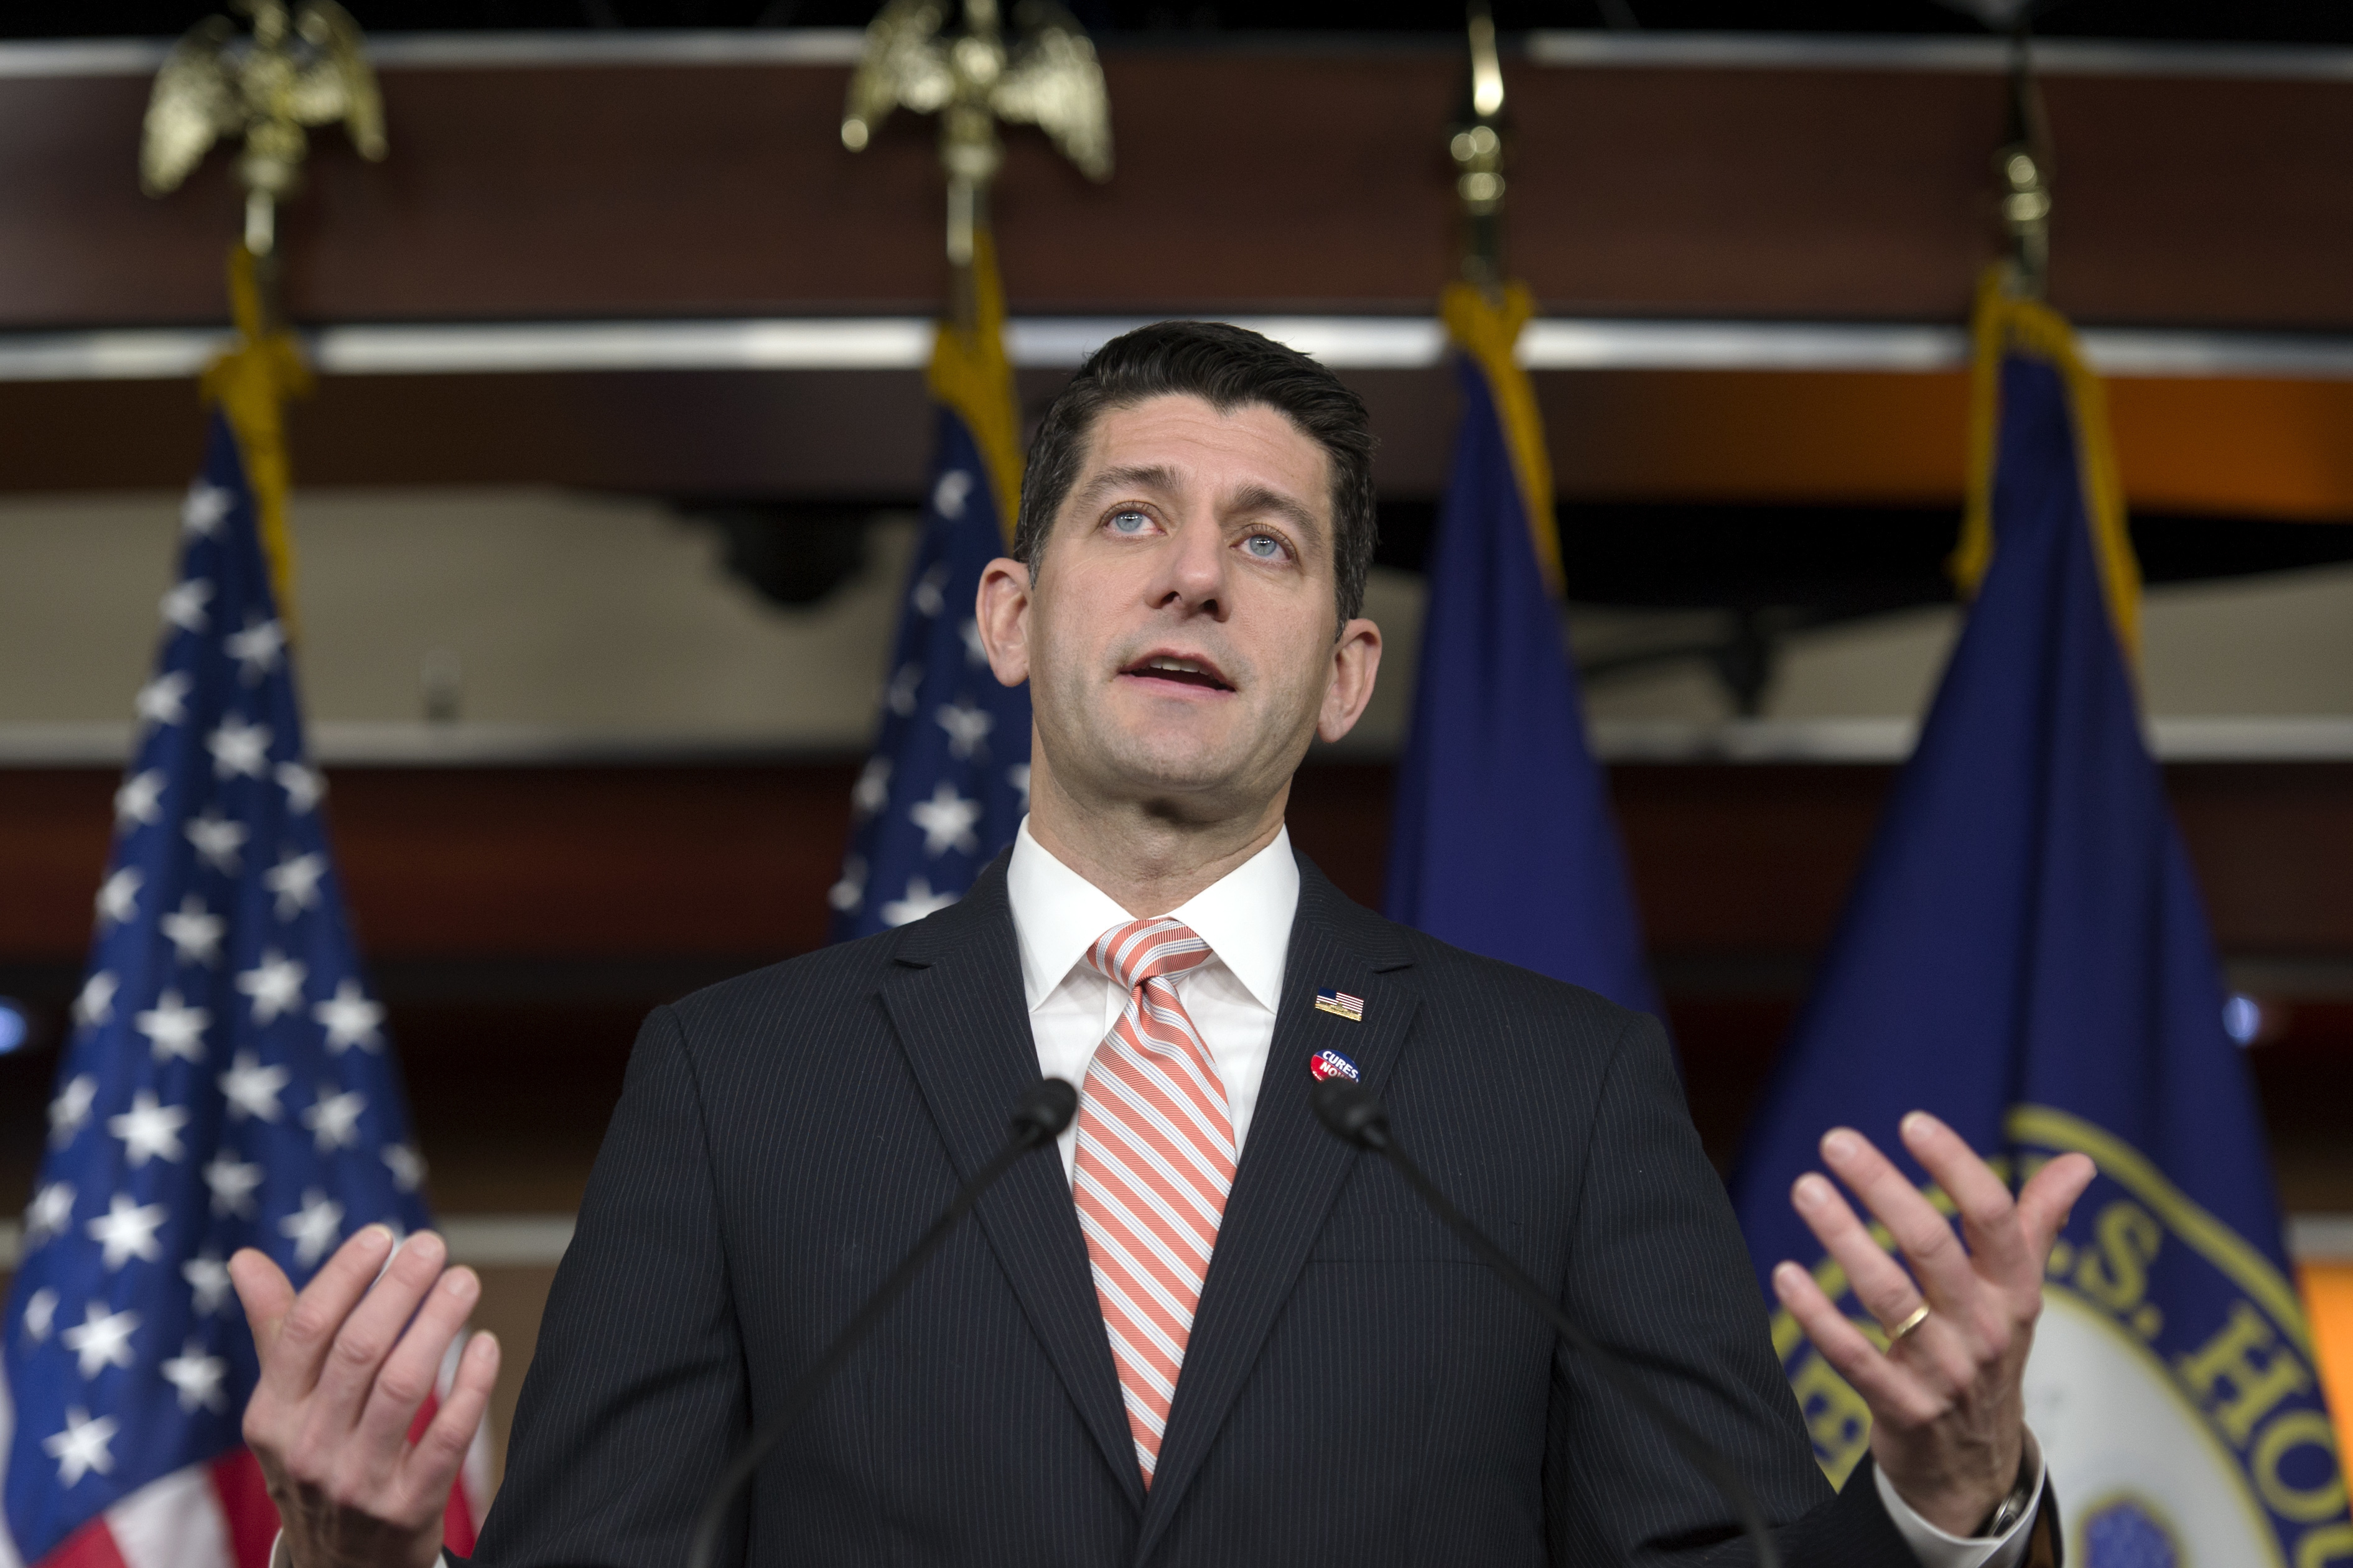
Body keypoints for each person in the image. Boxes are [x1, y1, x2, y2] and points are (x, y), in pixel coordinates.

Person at [230, 322, 2093, 1568]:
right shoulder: (739, 1085)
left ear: (1346, 671)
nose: (1197, 573)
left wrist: (1949, 1501)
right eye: (1136, 519)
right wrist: (357, 1556)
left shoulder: (1559, 1100)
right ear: (1012, 616)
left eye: (1270, 544)